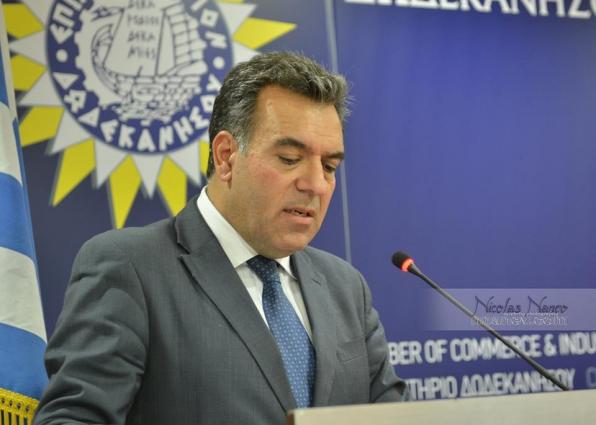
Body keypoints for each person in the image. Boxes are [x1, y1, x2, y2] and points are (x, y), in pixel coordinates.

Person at [33, 52, 408, 425]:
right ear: (226, 156)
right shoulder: (131, 268)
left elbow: (398, 417)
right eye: (290, 158)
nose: (315, 184)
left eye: (329, 166)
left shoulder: (346, 288)